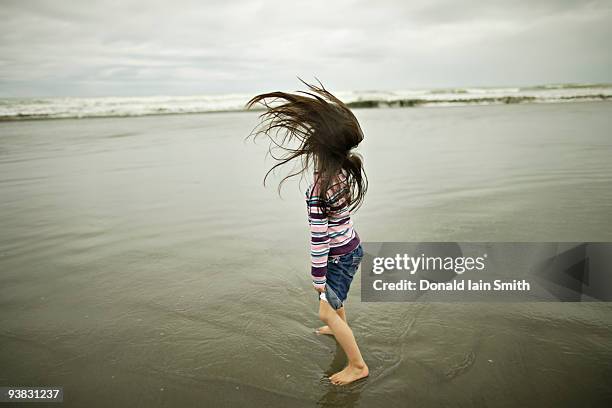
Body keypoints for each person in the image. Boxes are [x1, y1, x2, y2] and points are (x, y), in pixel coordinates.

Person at [246, 79, 369, 385]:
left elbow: (320, 237)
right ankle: (338, 327)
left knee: (325, 311)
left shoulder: (318, 189)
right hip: (352, 247)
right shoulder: (342, 170)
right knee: (335, 301)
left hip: (338, 255)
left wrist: (317, 278)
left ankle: (357, 365)